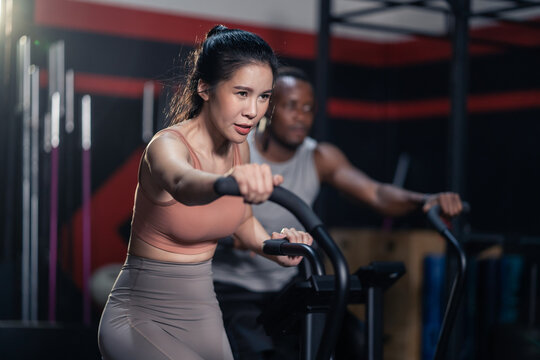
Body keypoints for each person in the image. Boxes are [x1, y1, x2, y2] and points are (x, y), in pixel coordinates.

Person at [212, 66, 464, 359]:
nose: (301, 116)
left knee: (354, 341)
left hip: (285, 285)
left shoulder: (319, 156)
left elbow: (376, 193)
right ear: (269, 108)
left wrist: (425, 200)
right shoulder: (238, 150)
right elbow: (204, 208)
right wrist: (232, 233)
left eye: (308, 108)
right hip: (233, 288)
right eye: (292, 106)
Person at [97, 27, 313, 360]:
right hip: (141, 314)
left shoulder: (239, 148)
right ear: (205, 88)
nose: (254, 111)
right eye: (242, 93)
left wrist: (277, 248)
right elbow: (184, 184)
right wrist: (228, 181)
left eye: (264, 96)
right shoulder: (167, 146)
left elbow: (242, 222)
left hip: (203, 312)